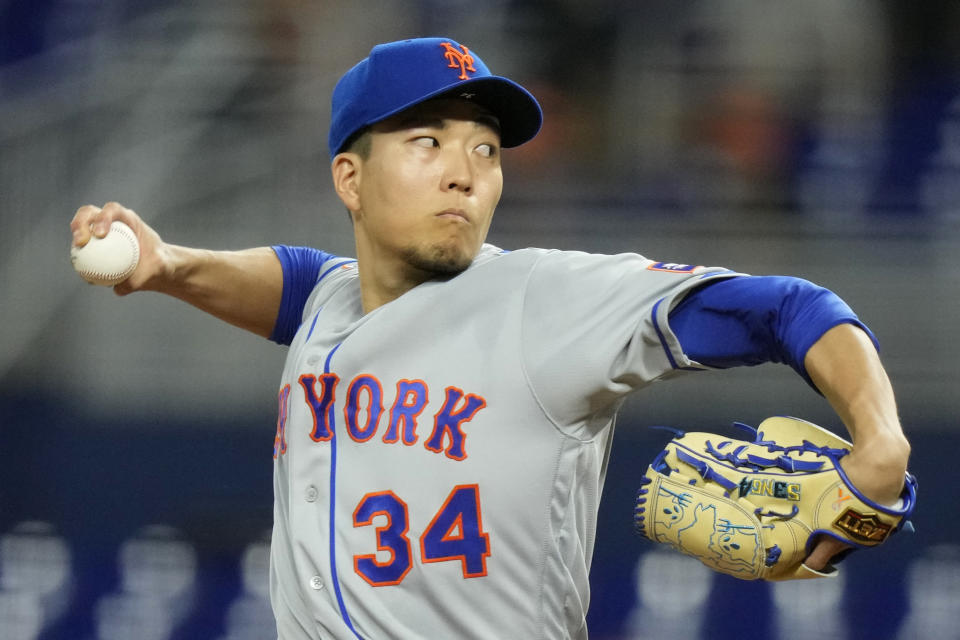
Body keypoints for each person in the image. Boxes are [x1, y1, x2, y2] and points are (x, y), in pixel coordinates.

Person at [70, 37, 911, 640]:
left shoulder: (542, 300)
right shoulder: (330, 299)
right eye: (427, 141)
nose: (466, 171)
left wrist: (881, 440)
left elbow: (787, 307)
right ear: (349, 179)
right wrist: (168, 264)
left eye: (486, 148)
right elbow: (293, 283)